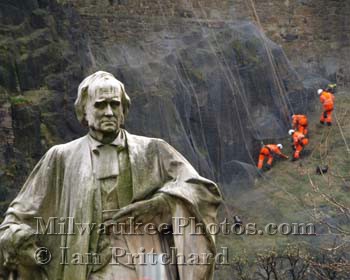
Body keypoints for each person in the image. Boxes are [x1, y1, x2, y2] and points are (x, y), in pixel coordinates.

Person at [0, 71, 222, 280]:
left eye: (115, 104)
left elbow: (202, 191)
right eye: (100, 105)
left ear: (124, 110)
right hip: (83, 266)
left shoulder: (153, 151)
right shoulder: (60, 159)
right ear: (84, 111)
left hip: (148, 263)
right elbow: (17, 219)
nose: (109, 112)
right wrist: (18, 238)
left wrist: (163, 204)